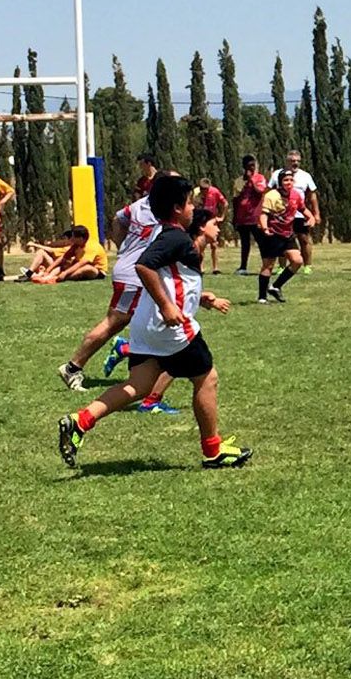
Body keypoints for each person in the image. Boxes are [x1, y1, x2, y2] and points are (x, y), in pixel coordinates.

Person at [59, 178, 252, 472]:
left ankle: (80, 421)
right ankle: (213, 451)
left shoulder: (170, 236)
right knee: (207, 377)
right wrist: (167, 305)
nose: (192, 208)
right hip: (168, 328)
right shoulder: (175, 238)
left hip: (145, 326)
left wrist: (201, 298)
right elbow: (144, 266)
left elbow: (172, 279)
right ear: (177, 209)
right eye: (189, 203)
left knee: (138, 386)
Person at [56, 190, 158, 392]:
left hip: (135, 272)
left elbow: (118, 219)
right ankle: (73, 367)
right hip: (134, 276)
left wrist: (124, 248)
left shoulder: (140, 204)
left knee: (154, 321)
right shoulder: (159, 210)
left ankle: (131, 358)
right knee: (114, 322)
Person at [254, 169, 307, 303]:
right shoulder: (272, 195)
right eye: (285, 180)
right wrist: (265, 228)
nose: (289, 183)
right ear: (280, 182)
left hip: (287, 234)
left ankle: (275, 287)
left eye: (291, 180)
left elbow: (302, 208)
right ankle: (262, 297)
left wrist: (311, 217)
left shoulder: (295, 195)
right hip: (272, 233)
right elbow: (264, 214)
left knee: (297, 261)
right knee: (268, 265)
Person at [282, 150, 322, 263]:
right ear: (287, 161)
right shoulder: (278, 174)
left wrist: (316, 214)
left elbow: (312, 196)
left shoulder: (306, 176)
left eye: (298, 161)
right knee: (283, 240)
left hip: (300, 214)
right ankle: (282, 266)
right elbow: (269, 192)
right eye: (293, 161)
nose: (295, 163)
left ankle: (307, 265)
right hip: (283, 214)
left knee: (304, 239)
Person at [231, 155, 268, 274]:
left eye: (253, 166)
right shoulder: (238, 181)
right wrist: (235, 218)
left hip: (255, 217)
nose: (251, 168)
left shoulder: (260, 178)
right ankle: (243, 267)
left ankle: (266, 265)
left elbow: (260, 191)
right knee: (245, 243)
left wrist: (252, 179)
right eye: (249, 166)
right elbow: (236, 200)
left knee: (261, 242)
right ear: (244, 167)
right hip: (242, 218)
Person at [194, 177, 230, 269]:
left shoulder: (215, 191)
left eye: (206, 189)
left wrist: (222, 216)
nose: (204, 191)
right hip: (202, 218)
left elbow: (225, 203)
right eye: (202, 189)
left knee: (214, 243)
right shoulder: (196, 193)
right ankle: (201, 267)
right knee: (201, 242)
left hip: (212, 218)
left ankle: (215, 267)